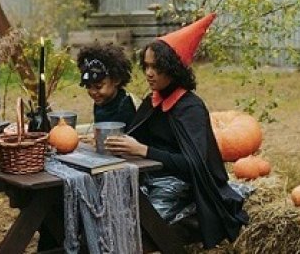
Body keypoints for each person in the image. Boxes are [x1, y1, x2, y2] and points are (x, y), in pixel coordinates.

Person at [104, 13, 249, 249]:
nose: (149, 73)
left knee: (134, 225)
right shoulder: (154, 100)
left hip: (186, 187)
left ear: (173, 69)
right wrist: (106, 140)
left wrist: (144, 150)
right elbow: (133, 137)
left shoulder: (190, 108)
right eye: (147, 66)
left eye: (156, 67)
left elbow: (193, 165)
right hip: (153, 179)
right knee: (107, 208)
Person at [76, 43, 137, 128]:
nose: (93, 92)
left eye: (98, 87)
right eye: (88, 86)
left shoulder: (125, 107)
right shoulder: (101, 101)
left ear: (116, 80)